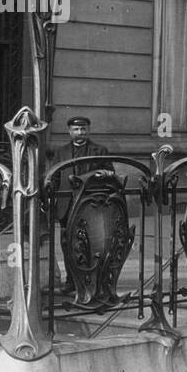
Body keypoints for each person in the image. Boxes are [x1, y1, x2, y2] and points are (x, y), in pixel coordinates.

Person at [47, 116, 111, 293]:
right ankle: (71, 281)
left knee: (92, 243)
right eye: (76, 129)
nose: (80, 132)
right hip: (67, 206)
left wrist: (102, 175)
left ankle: (92, 281)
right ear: (70, 132)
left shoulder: (100, 151)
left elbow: (110, 173)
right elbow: (54, 176)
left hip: (91, 205)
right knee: (68, 244)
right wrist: (51, 194)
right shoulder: (61, 152)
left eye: (83, 129)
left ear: (88, 130)